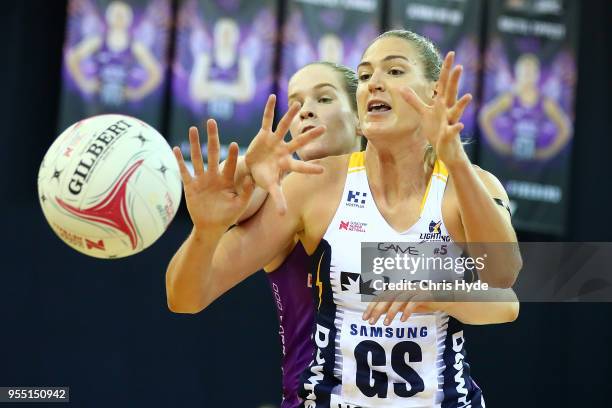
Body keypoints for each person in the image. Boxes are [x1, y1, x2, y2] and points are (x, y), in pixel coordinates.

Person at [166, 30, 521, 407]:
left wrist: (438, 287)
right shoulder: (315, 186)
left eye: (395, 71)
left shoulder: (471, 183)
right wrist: (206, 230)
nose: (375, 84)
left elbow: (505, 284)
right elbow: (186, 298)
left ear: (434, 92)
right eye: (365, 76)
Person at [235, 61, 362, 408]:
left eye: (323, 99)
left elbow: (505, 287)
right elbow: (229, 198)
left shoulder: (409, 199)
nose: (305, 111)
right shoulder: (282, 194)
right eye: (295, 104)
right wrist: (248, 165)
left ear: (361, 117)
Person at [66, 1, 162, 106]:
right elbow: (73, 58)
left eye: (122, 14)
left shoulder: (135, 46)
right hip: (98, 101)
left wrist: (138, 93)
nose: (118, 17)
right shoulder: (97, 41)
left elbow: (156, 73)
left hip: (124, 104)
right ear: (108, 17)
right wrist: (83, 83)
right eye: (116, 13)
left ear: (129, 19)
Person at [479, 53, 571, 160]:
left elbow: (565, 128)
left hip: (536, 162)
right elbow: (485, 117)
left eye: (530, 73)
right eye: (524, 72)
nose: (527, 77)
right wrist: (498, 144)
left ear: (537, 75)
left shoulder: (545, 102)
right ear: (517, 74)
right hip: (509, 158)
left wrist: (548, 152)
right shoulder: (509, 99)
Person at [189, 18, 256, 119]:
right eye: (222, 32)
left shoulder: (243, 61)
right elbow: (196, 91)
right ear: (215, 36)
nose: (225, 36)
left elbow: (247, 93)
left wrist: (212, 88)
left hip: (236, 122)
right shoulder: (205, 58)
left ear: (236, 37)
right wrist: (233, 90)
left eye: (229, 33)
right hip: (203, 119)